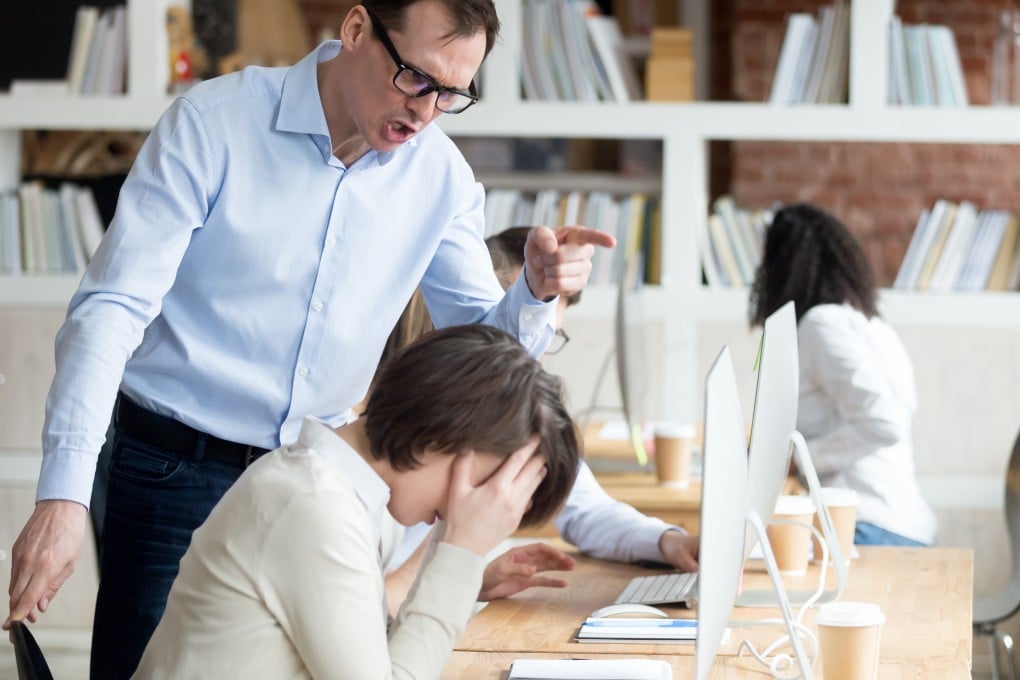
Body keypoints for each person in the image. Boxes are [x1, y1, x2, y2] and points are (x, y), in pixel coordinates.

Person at [4, 2, 614, 677]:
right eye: (416, 78)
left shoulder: (440, 179)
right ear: (356, 31)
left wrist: (532, 292)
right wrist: (61, 496)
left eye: (451, 94)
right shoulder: (214, 123)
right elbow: (112, 308)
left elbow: (480, 366)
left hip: (322, 487)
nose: (426, 111)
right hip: (175, 467)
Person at [133, 325, 580, 679]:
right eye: (490, 484)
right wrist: (461, 551)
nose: (480, 505)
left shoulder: (343, 491)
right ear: (446, 431)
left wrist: (457, 557)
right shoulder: (312, 505)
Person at [382, 226, 699, 613]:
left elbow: (584, 508)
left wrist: (669, 541)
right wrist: (456, 564)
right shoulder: (390, 430)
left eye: (549, 333)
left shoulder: (505, 419)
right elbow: (370, 599)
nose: (534, 353)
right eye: (527, 327)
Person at [749, 202, 937, 547]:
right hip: (900, 522)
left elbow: (885, 423)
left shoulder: (821, 325)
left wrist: (800, 461)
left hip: (868, 524)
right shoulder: (871, 325)